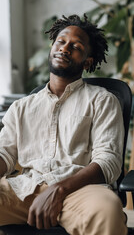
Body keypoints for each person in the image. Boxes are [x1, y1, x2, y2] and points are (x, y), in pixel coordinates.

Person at [0, 14, 127, 235]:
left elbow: (109, 161)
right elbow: (5, 155)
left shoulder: (103, 100)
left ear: (87, 61)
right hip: (24, 189)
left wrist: (58, 190)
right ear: (52, 47)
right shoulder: (21, 107)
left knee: (107, 210)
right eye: (61, 41)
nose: (65, 48)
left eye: (76, 46)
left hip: (80, 191)